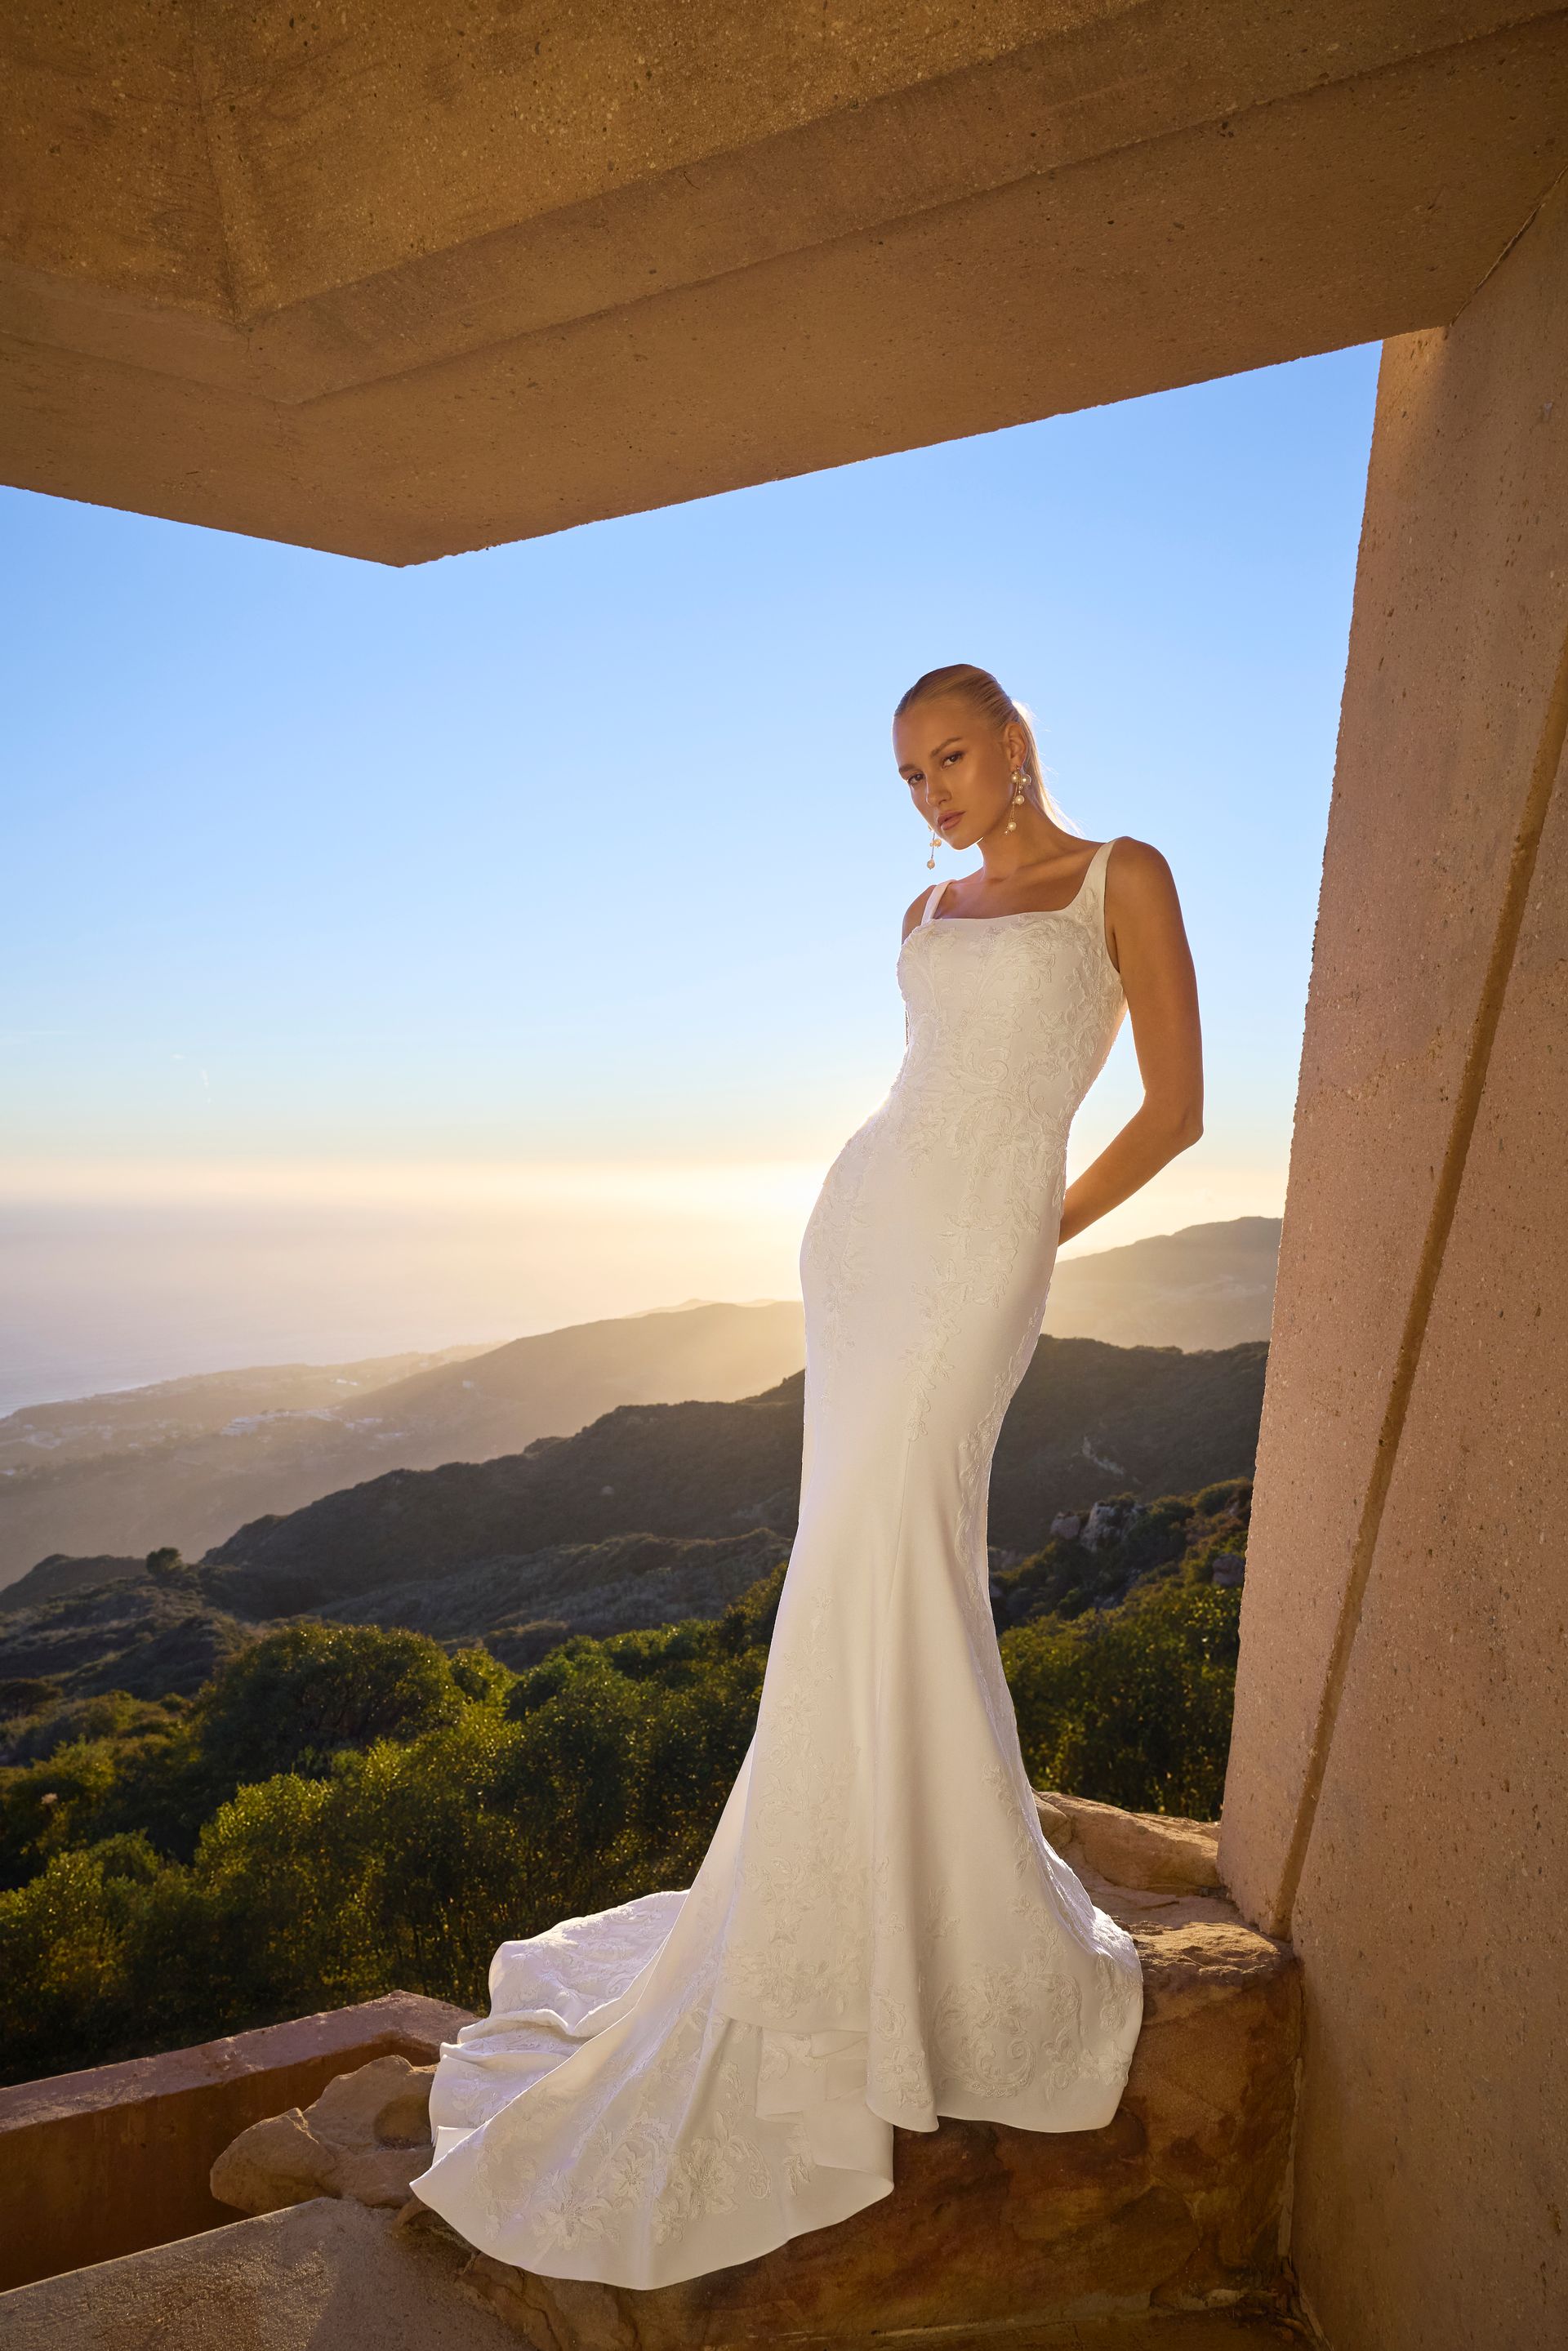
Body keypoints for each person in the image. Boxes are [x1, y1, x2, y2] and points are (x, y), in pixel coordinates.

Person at [408, 661, 1205, 2288]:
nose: (932, 794)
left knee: (903, 1547)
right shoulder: (921, 922)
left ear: (1018, 743)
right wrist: (963, 1212)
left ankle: (937, 1920)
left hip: (979, 1253)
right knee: (855, 1564)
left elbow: (1178, 1111)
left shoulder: (1125, 879)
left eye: (954, 758)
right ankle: (857, 1902)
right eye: (908, 775)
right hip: (864, 1234)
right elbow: (923, 1105)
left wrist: (1037, 1227)